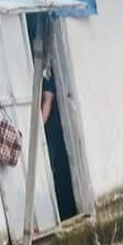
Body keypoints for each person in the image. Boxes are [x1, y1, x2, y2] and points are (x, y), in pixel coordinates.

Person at [40, 65, 77, 221]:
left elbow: (48, 100)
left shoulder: (46, 75)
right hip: (50, 132)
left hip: (52, 132)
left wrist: (37, 130)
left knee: (54, 171)